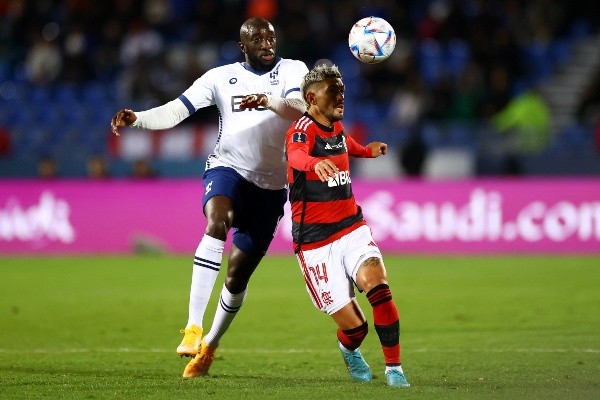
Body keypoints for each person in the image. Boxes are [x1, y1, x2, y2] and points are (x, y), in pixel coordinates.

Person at [110, 17, 308, 378]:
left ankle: (210, 345)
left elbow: (300, 110)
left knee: (237, 277)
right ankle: (192, 326)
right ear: (242, 47)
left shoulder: (294, 70)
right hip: (227, 168)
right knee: (218, 222)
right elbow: (176, 110)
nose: (267, 43)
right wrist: (137, 118)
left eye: (271, 37)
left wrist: (267, 99)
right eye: (258, 39)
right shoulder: (219, 77)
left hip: (272, 186)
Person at [284, 64, 410, 388]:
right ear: (312, 97)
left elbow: (347, 145)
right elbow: (296, 155)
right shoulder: (302, 129)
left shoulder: (336, 129)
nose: (341, 96)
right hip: (314, 243)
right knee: (357, 329)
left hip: (352, 227)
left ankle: (394, 369)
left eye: (342, 90)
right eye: (333, 90)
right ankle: (348, 348)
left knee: (380, 290)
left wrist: (368, 151)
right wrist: (314, 163)